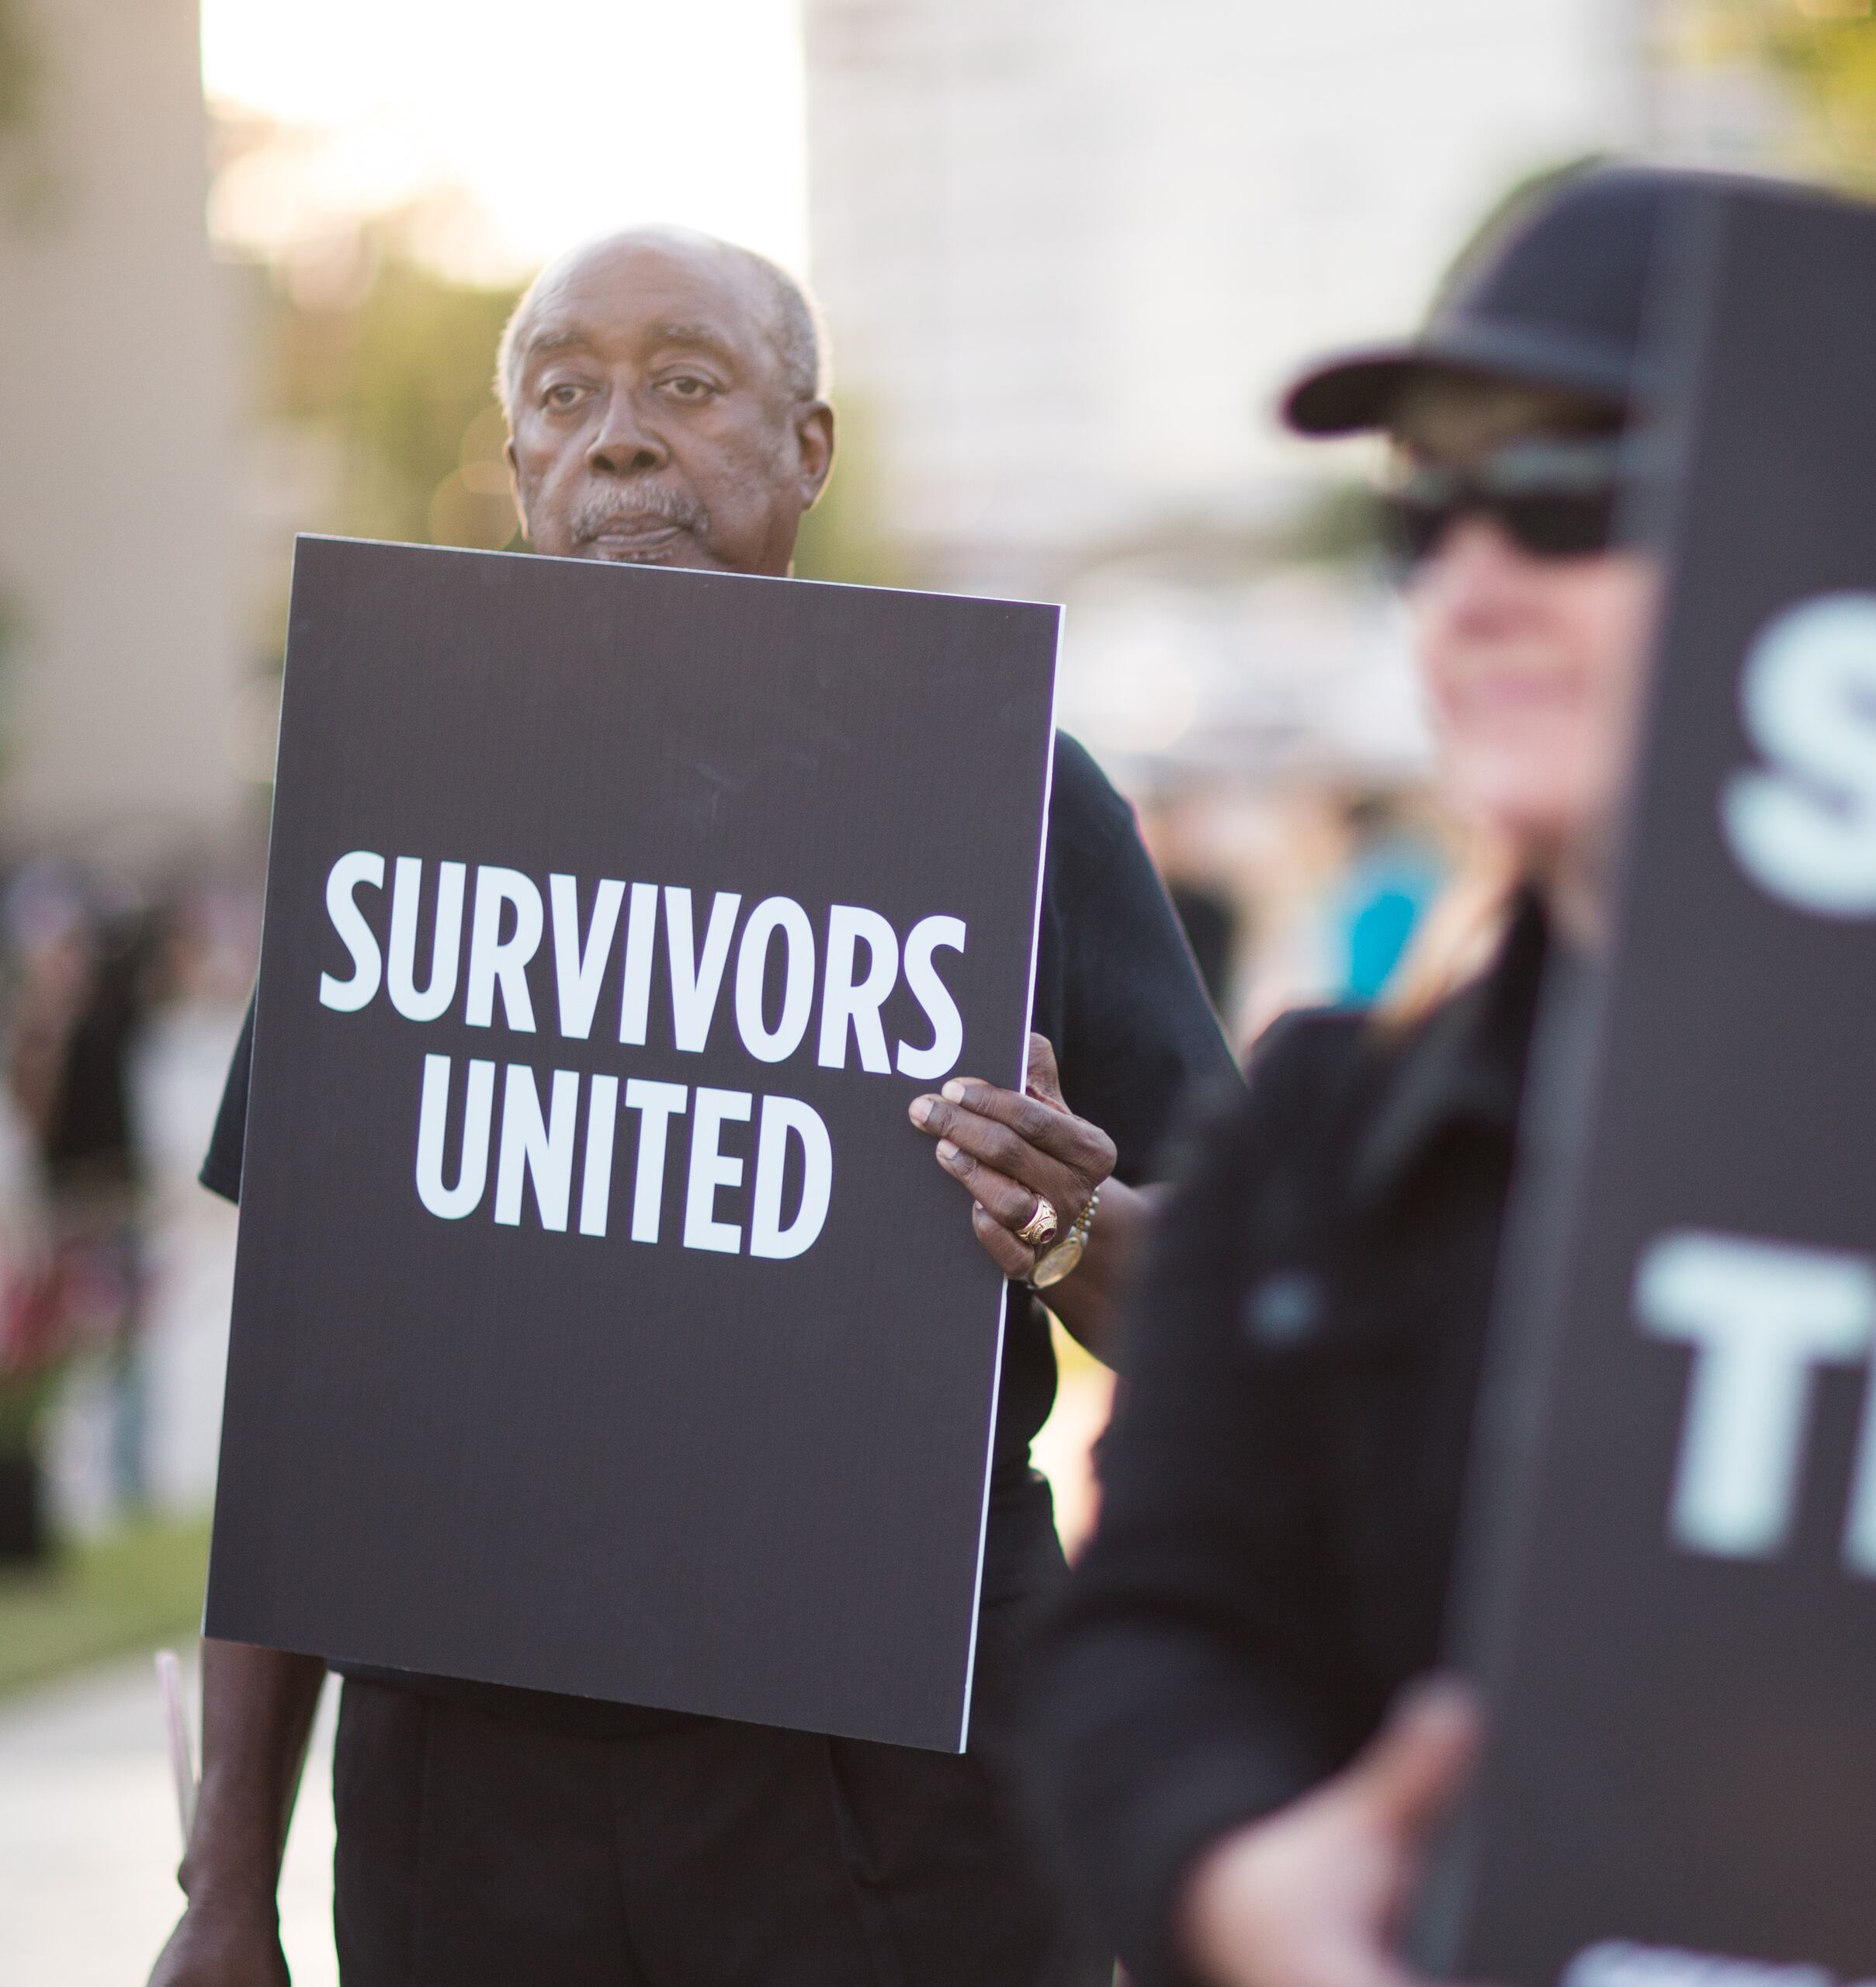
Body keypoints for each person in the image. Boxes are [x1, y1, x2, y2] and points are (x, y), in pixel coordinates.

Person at [152, 226, 1235, 1987]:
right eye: (564, 394)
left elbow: (1239, 1308)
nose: (621, 436)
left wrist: (1061, 1222)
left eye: (685, 381)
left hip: (889, 1764)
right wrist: (224, 1885)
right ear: (515, 468)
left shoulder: (1008, 789)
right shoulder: (406, 793)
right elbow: (302, 1402)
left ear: (810, 447)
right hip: (464, 1785)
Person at [1024, 167, 1682, 1987]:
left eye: (1565, 493)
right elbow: (1142, 1642)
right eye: (1426, 513)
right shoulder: (1319, 1136)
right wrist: (1244, 1876)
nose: (1473, 581)